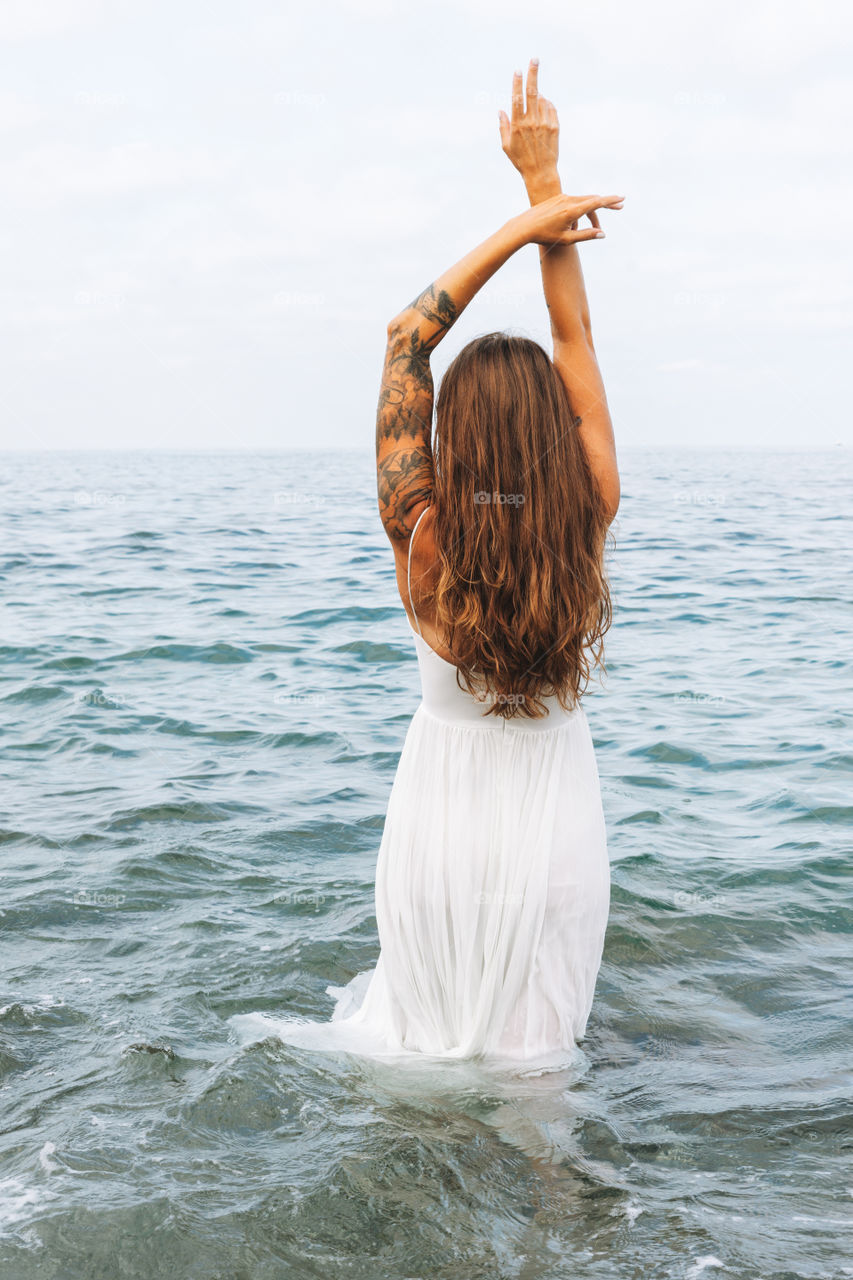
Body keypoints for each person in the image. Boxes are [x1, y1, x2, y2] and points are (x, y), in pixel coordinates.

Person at [232, 59, 623, 1066]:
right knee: (541, 1090)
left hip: (437, 834)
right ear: (552, 432)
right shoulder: (588, 510)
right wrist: (547, 192)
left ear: (452, 439)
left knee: (424, 1065)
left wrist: (519, 221)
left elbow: (408, 337)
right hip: (554, 835)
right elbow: (573, 334)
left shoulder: (422, 539)